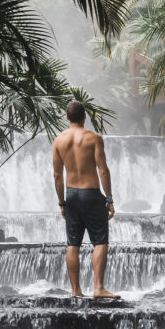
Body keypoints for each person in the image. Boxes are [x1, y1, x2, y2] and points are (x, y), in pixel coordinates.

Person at [51, 100, 119, 299]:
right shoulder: (94, 138)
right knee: (100, 242)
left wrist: (62, 203)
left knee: (73, 244)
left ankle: (76, 291)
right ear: (84, 117)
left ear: (67, 117)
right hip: (91, 194)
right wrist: (109, 199)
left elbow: (57, 176)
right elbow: (103, 170)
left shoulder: (59, 140)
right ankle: (98, 288)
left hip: (71, 195)